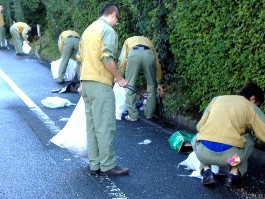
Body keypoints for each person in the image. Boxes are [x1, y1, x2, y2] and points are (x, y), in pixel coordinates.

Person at [78, 3, 129, 176]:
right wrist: (119, 78)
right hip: (100, 83)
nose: (117, 23)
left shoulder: (88, 30)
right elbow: (106, 57)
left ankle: (95, 164)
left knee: (92, 126)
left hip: (86, 83)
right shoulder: (107, 31)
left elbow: (81, 59)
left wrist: (82, 82)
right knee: (105, 126)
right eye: (118, 20)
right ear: (113, 14)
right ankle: (107, 165)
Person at [191, 81, 265, 188]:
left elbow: (200, 126)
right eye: (258, 105)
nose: (257, 108)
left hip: (203, 154)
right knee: (248, 139)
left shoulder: (216, 99)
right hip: (230, 159)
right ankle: (233, 174)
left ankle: (206, 171)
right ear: (253, 98)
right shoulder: (250, 106)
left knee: (197, 137)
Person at [118, 36, 164, 121]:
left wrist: (119, 76)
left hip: (134, 54)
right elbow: (157, 62)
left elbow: (122, 59)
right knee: (151, 85)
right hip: (148, 55)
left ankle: (132, 116)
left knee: (130, 84)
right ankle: (149, 114)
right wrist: (159, 82)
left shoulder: (128, 41)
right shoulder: (149, 41)